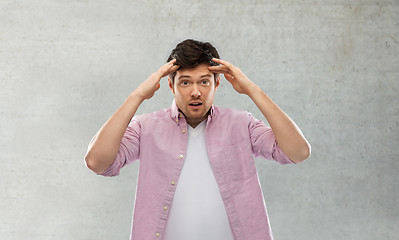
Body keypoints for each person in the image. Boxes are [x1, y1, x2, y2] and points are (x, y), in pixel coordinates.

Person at [85, 39, 311, 240]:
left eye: (204, 82)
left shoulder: (241, 124)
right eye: (185, 82)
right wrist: (136, 96)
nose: (196, 92)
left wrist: (253, 90)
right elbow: (97, 162)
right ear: (171, 85)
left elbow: (298, 152)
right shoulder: (146, 127)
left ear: (217, 84)